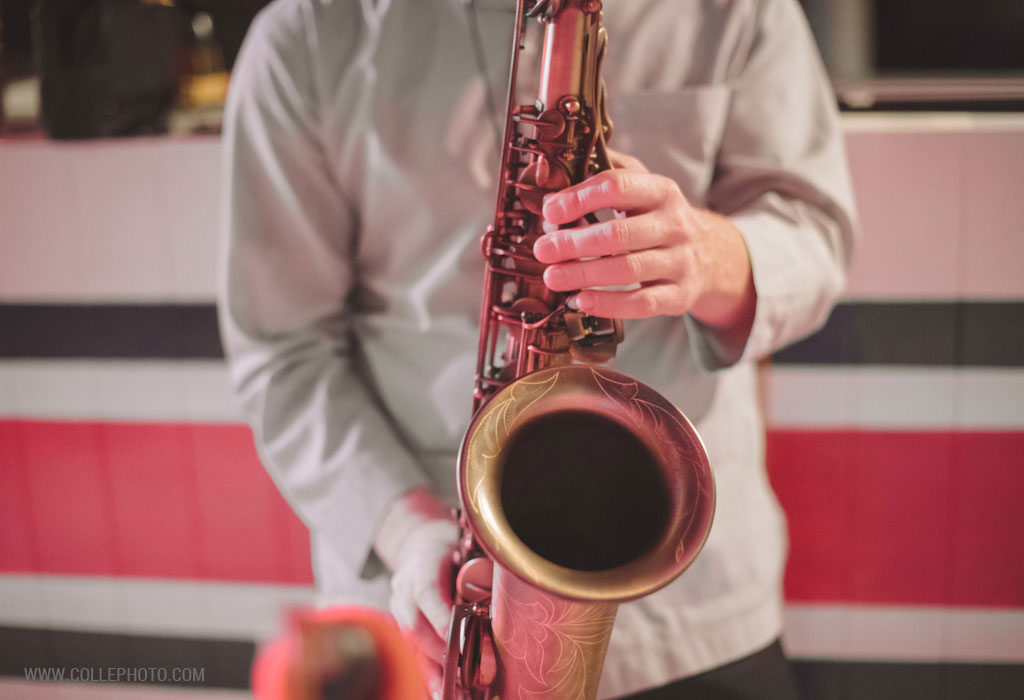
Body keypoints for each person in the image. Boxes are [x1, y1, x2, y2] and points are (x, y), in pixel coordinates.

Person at [218, 0, 856, 698]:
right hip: (428, 618)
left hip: (692, 616)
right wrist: (410, 535)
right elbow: (282, 352)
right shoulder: (308, 32)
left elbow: (814, 233)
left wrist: (709, 255)